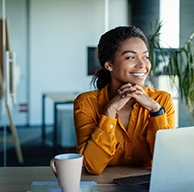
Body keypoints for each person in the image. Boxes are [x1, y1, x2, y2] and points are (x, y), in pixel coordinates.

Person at [73, 26, 176, 175]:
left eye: (145, 57)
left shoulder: (161, 101)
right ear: (109, 65)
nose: (142, 65)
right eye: (130, 57)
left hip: (149, 186)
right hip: (104, 186)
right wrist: (109, 112)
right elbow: (92, 166)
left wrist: (156, 112)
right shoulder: (86, 103)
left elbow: (167, 161)